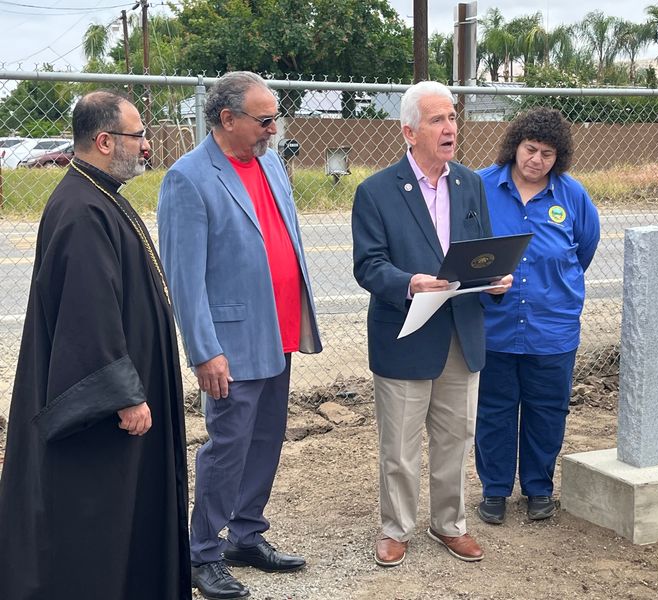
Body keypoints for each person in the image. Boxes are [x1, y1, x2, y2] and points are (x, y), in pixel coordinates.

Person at [0, 91, 191, 599]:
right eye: (139, 135)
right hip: (107, 414)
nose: (147, 146)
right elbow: (89, 312)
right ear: (105, 141)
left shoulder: (96, 194)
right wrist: (123, 394)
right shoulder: (83, 209)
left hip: (126, 392)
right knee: (99, 517)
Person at [157, 71, 322, 600]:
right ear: (227, 119)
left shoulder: (271, 161)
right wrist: (205, 352)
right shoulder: (188, 178)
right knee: (228, 447)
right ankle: (202, 553)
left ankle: (246, 534)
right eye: (264, 119)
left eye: (275, 117)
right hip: (230, 343)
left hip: (278, 331)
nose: (274, 129)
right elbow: (184, 279)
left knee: (267, 438)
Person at [352, 80, 511, 568]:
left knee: (455, 438)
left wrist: (493, 278)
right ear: (409, 131)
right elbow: (368, 265)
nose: (450, 128)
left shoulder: (470, 183)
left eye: (453, 118)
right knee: (400, 445)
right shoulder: (376, 191)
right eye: (438, 120)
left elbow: (479, 249)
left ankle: (449, 524)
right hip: (406, 335)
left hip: (463, 334)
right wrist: (409, 282)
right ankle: (396, 528)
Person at [475, 107, 600, 525]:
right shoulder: (480, 187)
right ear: (515, 146)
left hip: (552, 327)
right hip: (495, 326)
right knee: (494, 410)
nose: (537, 160)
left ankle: (538, 488)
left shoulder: (573, 196)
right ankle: (494, 490)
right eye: (530, 149)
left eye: (548, 154)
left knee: (547, 410)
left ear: (558, 157)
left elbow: (583, 251)